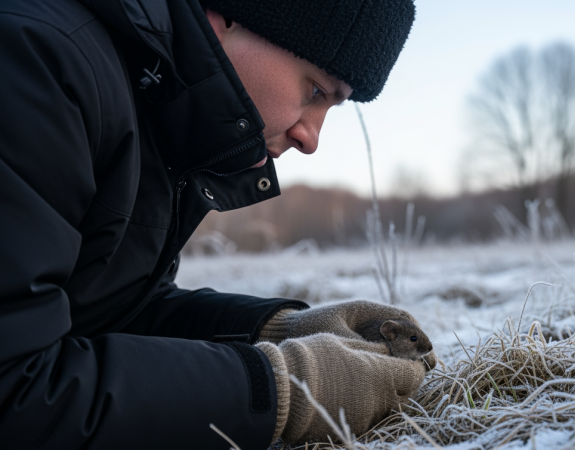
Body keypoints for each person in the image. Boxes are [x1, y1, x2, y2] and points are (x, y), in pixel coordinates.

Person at [0, 0, 434, 448]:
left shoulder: (154, 110)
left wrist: (274, 330)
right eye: (316, 93)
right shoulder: (38, 62)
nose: (312, 139)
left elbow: (114, 311)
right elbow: (14, 387)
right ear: (226, 18)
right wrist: (285, 388)